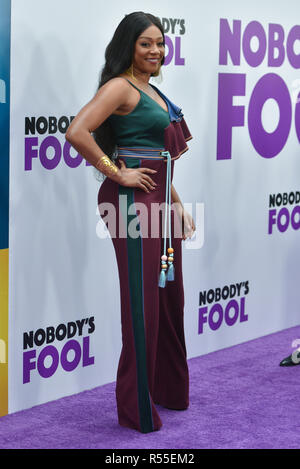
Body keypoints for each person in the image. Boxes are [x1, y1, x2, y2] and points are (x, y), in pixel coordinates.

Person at [66, 11, 195, 433]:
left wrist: (176, 203)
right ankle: (136, 408)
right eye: (146, 44)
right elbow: (77, 131)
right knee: (143, 305)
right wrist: (115, 171)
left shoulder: (151, 89)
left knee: (167, 297)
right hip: (131, 201)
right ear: (129, 46)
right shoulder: (119, 86)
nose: (156, 50)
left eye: (160, 42)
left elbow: (162, 158)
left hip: (158, 196)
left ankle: (168, 389)